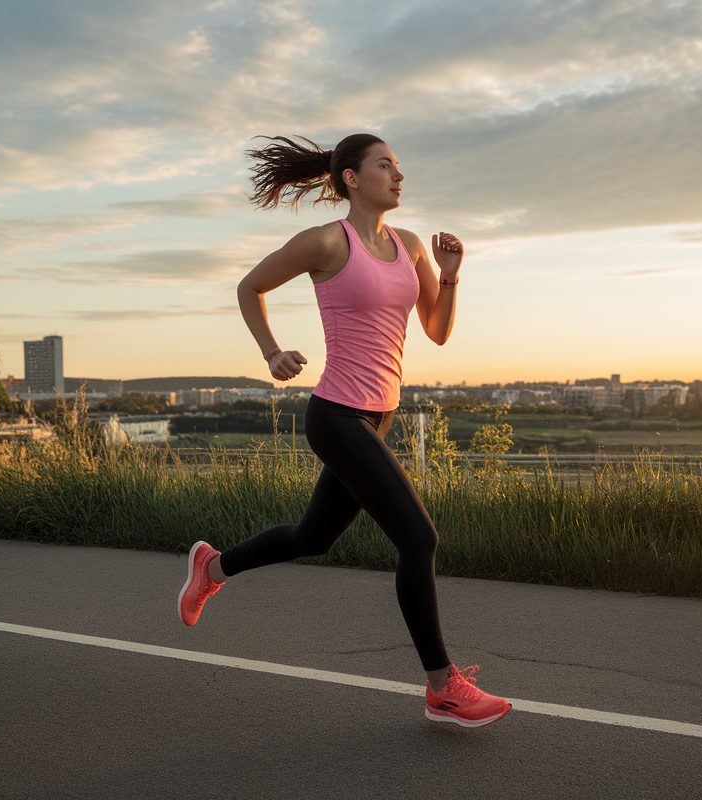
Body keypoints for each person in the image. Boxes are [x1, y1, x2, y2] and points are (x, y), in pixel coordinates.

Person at [177, 133, 511, 727]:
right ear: (352, 178)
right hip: (336, 414)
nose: (398, 175)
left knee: (314, 538)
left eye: (399, 166)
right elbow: (250, 287)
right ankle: (443, 687)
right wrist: (272, 352)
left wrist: (451, 276)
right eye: (385, 165)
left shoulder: (411, 247)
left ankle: (213, 567)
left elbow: (437, 331)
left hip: (378, 416)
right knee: (419, 539)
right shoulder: (328, 242)